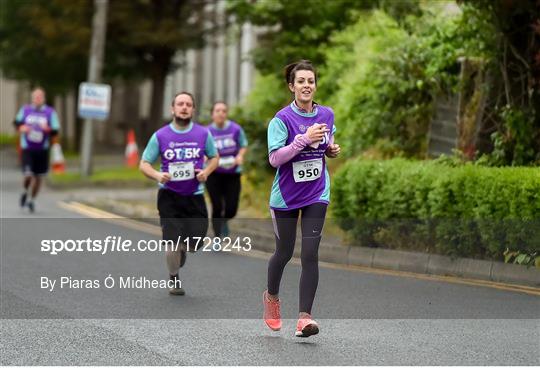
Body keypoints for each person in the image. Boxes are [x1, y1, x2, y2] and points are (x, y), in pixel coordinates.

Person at [263, 60, 341, 337]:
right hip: (286, 196)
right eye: (301, 81)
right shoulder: (281, 120)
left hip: (316, 192)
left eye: (311, 81)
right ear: (291, 86)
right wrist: (303, 140)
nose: (307, 85)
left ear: (315, 85)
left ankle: (304, 318)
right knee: (283, 253)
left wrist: (330, 149)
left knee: (310, 254)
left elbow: (326, 143)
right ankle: (271, 298)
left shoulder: (327, 114)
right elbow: (275, 159)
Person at [140, 91, 219, 295]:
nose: (184, 107)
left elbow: (214, 157)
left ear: (193, 109)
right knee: (172, 242)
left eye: (188, 104)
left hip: (195, 195)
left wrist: (206, 172)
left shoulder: (203, 134)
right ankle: (174, 278)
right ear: (172, 108)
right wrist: (158, 175)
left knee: (194, 243)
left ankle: (184, 249)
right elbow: (144, 164)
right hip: (169, 196)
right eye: (180, 104)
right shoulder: (160, 135)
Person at [14, 87, 60, 213]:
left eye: (40, 97)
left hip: (42, 149)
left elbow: (55, 131)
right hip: (27, 148)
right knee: (28, 175)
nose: (37, 99)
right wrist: (22, 128)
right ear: (32, 98)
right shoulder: (25, 110)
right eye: (35, 97)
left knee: (38, 177)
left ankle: (32, 200)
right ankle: (24, 192)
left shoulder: (50, 112)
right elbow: (17, 123)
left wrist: (48, 129)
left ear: (43, 98)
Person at [206, 102, 248, 238]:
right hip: (213, 174)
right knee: (217, 207)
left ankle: (223, 221)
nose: (220, 113)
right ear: (212, 114)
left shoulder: (235, 129)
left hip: (232, 174)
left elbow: (243, 145)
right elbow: (201, 150)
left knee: (231, 209)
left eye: (224, 111)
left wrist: (240, 156)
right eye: (217, 111)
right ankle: (217, 237)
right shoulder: (206, 132)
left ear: (226, 114)